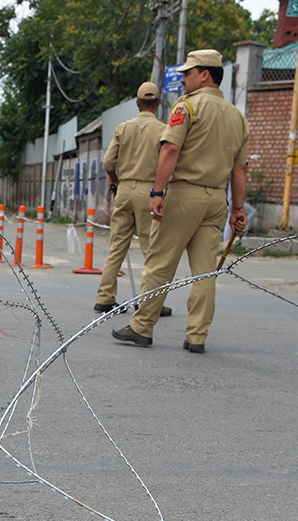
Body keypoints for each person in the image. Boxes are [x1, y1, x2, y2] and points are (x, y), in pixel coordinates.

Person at [112, 49, 249, 354]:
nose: (182, 78)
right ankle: (197, 336)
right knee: (205, 271)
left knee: (160, 264)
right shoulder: (237, 117)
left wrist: (158, 193)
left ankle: (141, 327)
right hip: (216, 200)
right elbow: (239, 170)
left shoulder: (186, 108)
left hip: (183, 195)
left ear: (205, 74)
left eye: (188, 73)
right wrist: (237, 209)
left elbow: (170, 151)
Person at [94, 82, 171, 318]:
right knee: (151, 249)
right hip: (150, 192)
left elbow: (108, 163)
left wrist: (115, 181)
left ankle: (104, 298)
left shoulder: (123, 128)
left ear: (137, 104)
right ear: (158, 103)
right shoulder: (164, 130)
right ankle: (149, 302)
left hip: (125, 190)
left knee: (117, 245)